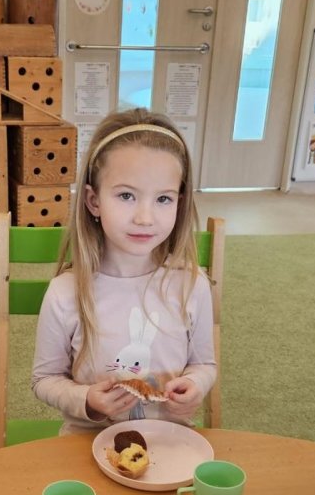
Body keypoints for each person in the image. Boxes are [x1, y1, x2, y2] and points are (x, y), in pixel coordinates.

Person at [32, 108, 216, 433]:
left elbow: (204, 364)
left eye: (163, 199)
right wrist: (86, 399)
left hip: (171, 442)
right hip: (85, 440)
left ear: (180, 201)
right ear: (94, 201)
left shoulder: (192, 284)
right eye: (126, 195)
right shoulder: (65, 292)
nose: (145, 218)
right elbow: (44, 380)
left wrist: (196, 385)